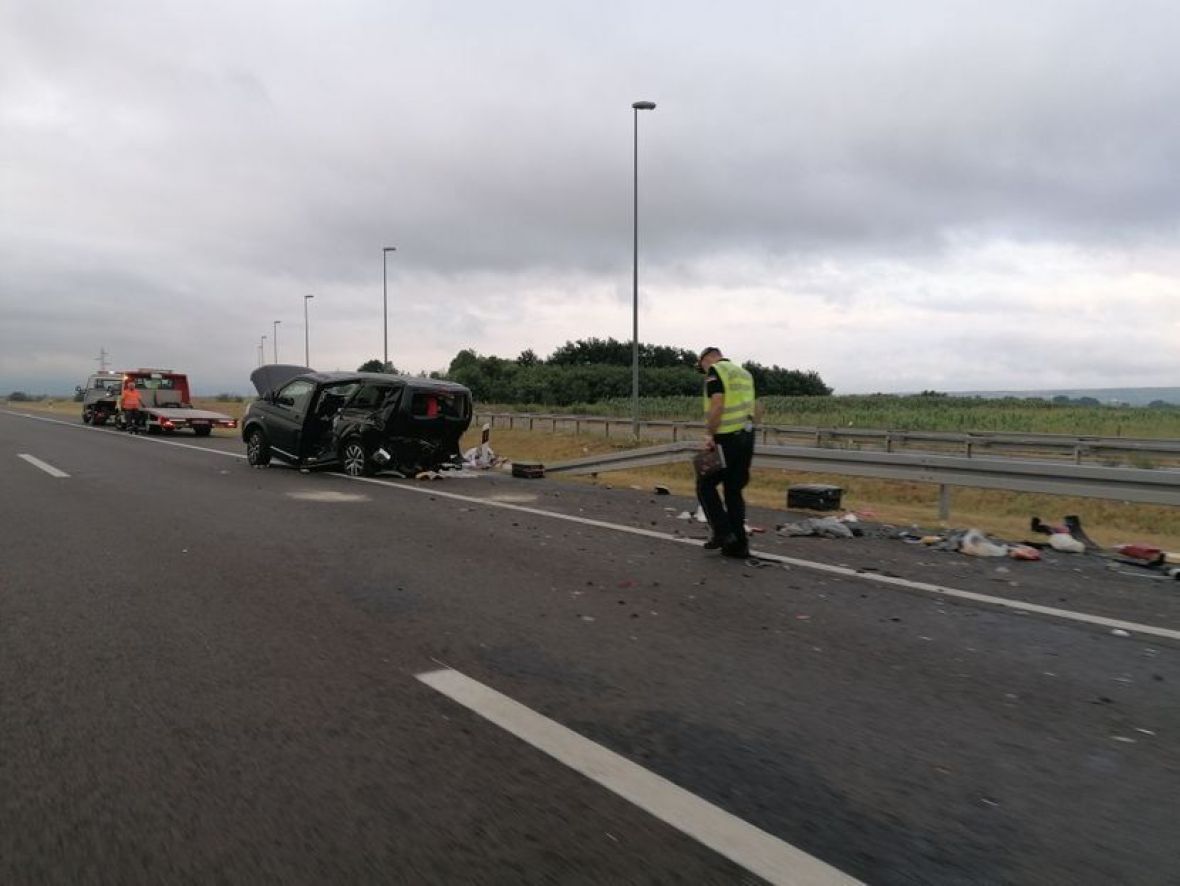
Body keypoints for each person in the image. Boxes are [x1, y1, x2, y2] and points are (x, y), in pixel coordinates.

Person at [696, 346, 758, 558]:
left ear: (707, 359)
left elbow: (718, 404)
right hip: (747, 437)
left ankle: (722, 532)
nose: (703, 371)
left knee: (705, 485)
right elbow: (756, 407)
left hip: (726, 438)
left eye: (702, 366)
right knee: (733, 490)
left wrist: (710, 434)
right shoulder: (745, 374)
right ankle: (739, 545)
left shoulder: (716, 371)